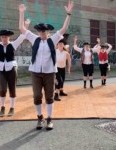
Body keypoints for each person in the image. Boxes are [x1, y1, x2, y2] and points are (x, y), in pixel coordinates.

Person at [19, 1, 74, 130]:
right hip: (36, 73)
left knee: (49, 97)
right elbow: (22, 29)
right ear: (38, 32)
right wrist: (21, 13)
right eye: (40, 31)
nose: (42, 33)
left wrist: (69, 14)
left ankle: (49, 119)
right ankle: (40, 118)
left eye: (44, 31)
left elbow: (64, 29)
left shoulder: (53, 39)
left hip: (50, 73)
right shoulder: (34, 39)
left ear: (48, 32)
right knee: (37, 96)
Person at [0, 30, 26, 117]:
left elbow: (22, 37)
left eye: (6, 37)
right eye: (3, 37)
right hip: (1, 69)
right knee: (2, 89)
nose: (4, 39)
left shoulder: (13, 44)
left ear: (9, 37)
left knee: (12, 88)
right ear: (1, 38)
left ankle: (12, 108)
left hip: (11, 68)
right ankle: (2, 107)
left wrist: (25, 26)